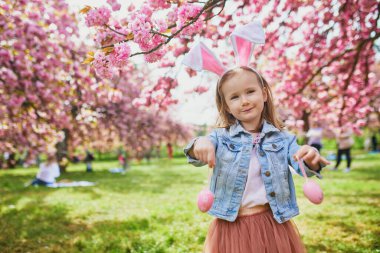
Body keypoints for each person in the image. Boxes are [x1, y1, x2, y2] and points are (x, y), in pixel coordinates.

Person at [182, 21, 329, 253]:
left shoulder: (282, 140)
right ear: (227, 107)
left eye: (250, 91)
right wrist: (199, 144)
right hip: (231, 225)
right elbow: (196, 153)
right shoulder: (220, 139)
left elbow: (300, 162)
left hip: (271, 225)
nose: (245, 100)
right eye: (235, 97)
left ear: (264, 94)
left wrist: (310, 158)